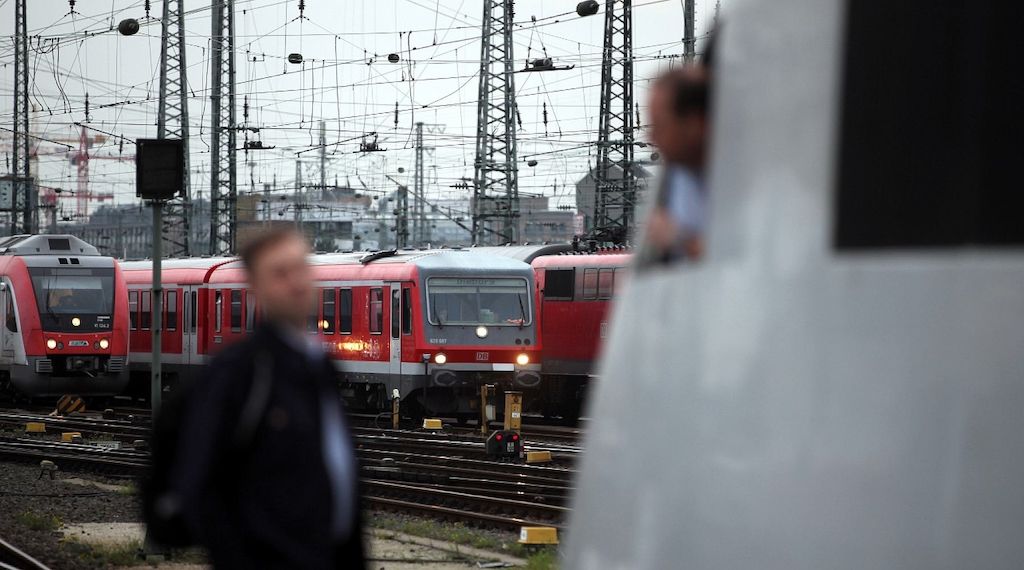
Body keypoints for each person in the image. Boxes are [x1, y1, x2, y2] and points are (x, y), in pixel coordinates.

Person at [172, 227, 364, 569]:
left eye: (302, 269)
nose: (296, 282)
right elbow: (199, 481)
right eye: (280, 273)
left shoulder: (321, 368)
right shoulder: (237, 372)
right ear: (255, 288)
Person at [637, 67, 710, 265]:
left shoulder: (747, 178)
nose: (650, 138)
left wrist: (679, 239)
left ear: (694, 123)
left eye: (660, 126)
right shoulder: (673, 178)